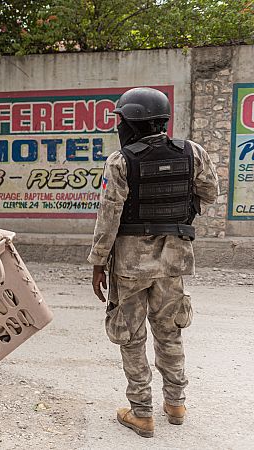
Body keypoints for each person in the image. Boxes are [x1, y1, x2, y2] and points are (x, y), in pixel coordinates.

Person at [89, 87, 219, 437]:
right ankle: (175, 404)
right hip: (174, 260)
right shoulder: (193, 152)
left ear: (131, 122)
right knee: (170, 331)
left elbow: (109, 215)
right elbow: (209, 193)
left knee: (131, 336)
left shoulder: (120, 161)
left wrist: (98, 262)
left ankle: (142, 413)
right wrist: (179, 217)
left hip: (130, 265)